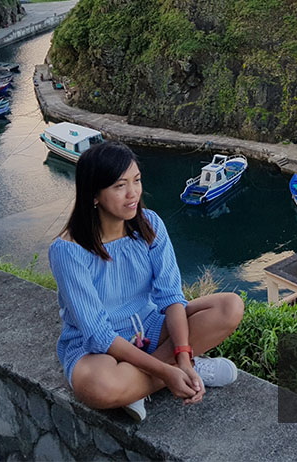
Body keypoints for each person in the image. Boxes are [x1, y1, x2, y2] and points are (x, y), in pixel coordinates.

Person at [49, 142, 244, 422]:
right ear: (94, 195)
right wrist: (166, 372)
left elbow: (171, 298)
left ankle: (149, 381)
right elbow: (98, 334)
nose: (133, 194)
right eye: (119, 186)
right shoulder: (68, 250)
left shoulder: (149, 224)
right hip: (96, 347)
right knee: (98, 385)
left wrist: (183, 355)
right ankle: (167, 377)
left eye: (136, 181)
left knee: (230, 307)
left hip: (149, 328)